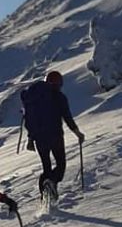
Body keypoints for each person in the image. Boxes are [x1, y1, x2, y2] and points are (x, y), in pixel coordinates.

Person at [20, 70, 86, 201]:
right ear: (58, 83)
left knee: (46, 168)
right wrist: (77, 133)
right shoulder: (59, 97)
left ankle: (45, 196)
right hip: (55, 136)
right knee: (60, 165)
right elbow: (67, 117)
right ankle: (51, 183)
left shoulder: (34, 97)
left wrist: (30, 139)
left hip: (39, 139)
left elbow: (31, 119)